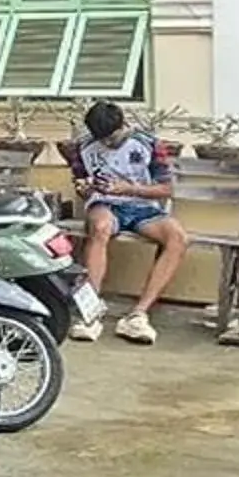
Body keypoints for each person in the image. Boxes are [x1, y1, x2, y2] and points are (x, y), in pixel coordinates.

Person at [75, 100, 185, 346]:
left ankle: (138, 314)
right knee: (100, 227)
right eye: (101, 139)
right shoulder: (84, 147)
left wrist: (129, 189)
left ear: (123, 125)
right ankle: (90, 313)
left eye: (111, 138)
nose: (107, 144)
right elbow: (80, 182)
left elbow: (167, 188)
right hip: (105, 204)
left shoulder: (149, 144)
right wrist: (84, 187)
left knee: (177, 237)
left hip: (143, 207)